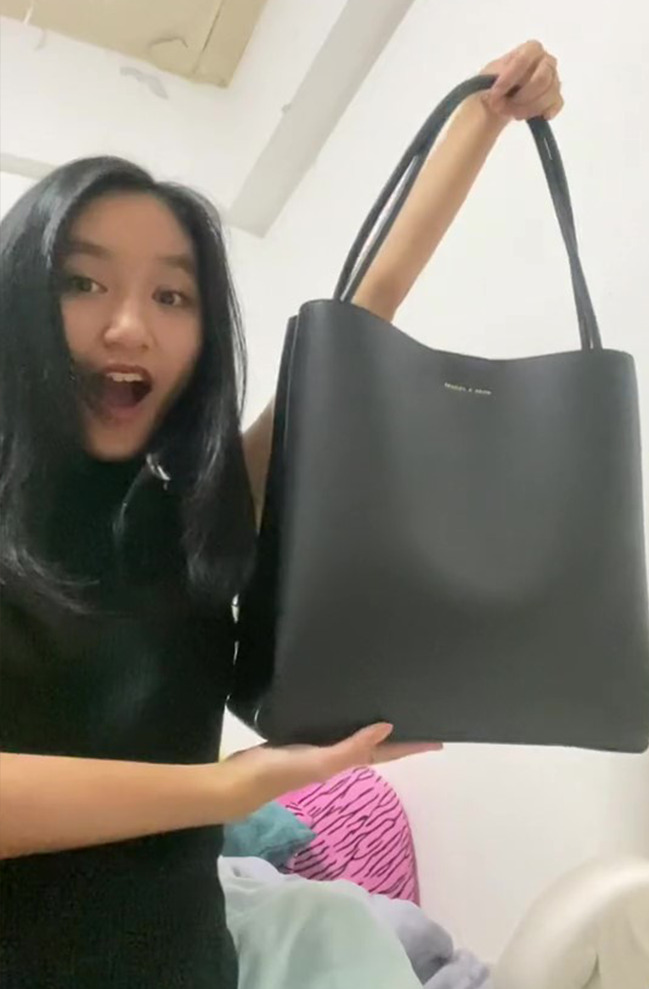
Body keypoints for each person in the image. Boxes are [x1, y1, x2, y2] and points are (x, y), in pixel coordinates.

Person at [0, 41, 563, 989]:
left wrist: (485, 116)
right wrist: (234, 784)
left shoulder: (196, 511)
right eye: (82, 281)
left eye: (171, 295)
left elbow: (361, 314)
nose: (130, 325)